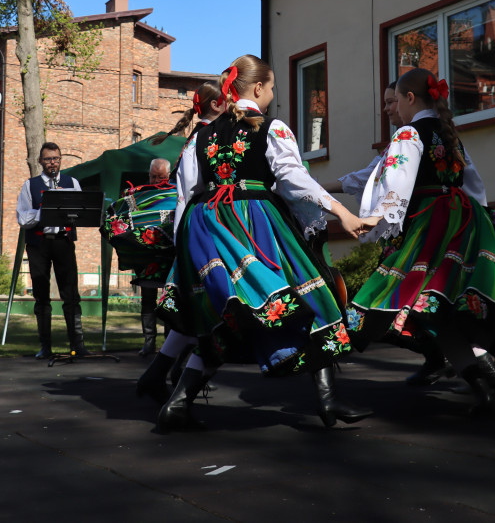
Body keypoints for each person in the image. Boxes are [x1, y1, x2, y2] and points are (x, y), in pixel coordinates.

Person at [154, 55, 371, 432]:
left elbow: (186, 196)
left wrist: (182, 252)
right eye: (271, 88)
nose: (272, 95)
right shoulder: (270, 128)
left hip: (208, 230)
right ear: (257, 88)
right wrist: (341, 212)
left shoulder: (201, 136)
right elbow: (295, 180)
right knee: (314, 294)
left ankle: (178, 403)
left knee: (228, 318)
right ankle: (328, 399)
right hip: (256, 225)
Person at [347, 68, 495, 413]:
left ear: (409, 98)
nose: (393, 109)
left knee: (421, 304)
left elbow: (398, 180)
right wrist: (483, 222)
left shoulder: (409, 132)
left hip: (432, 223)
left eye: (396, 101)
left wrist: (376, 218)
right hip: (465, 219)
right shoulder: (449, 134)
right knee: (445, 309)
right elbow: (473, 183)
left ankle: (489, 378)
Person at [136, 84, 225, 403]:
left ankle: (162, 376)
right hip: (201, 229)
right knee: (213, 309)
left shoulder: (204, 134)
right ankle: (180, 388)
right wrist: (182, 239)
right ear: (216, 105)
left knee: (197, 310)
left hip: (201, 227)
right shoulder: (203, 137)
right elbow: (185, 193)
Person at [16, 142, 89, 359]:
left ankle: (77, 345)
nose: (52, 163)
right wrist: (45, 209)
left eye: (56, 158)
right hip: (39, 243)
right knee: (41, 295)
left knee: (71, 294)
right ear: (40, 161)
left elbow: (81, 211)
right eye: (48, 159)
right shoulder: (30, 185)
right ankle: (45, 346)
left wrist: (66, 205)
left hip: (63, 242)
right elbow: (22, 218)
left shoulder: (71, 183)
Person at [134, 157, 173, 357]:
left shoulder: (175, 193)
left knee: (169, 298)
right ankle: (148, 342)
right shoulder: (140, 194)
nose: (156, 181)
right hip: (146, 253)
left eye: (161, 177)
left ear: (169, 175)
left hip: (169, 253)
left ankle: (169, 345)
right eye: (153, 176)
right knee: (147, 298)